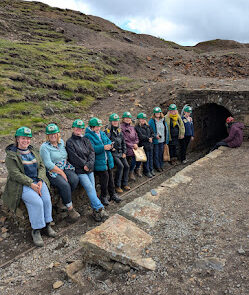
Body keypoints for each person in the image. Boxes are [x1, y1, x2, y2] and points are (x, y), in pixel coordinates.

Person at [2, 127, 56, 247]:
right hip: (22, 184)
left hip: (38, 181)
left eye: (28, 138)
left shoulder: (33, 151)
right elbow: (14, 173)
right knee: (37, 202)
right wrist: (31, 183)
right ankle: (36, 230)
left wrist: (41, 180)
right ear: (17, 139)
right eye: (23, 138)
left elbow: (42, 166)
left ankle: (47, 225)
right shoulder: (11, 155)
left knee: (46, 200)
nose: (26, 141)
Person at [66, 119, 108, 222]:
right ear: (73, 128)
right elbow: (73, 157)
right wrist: (84, 165)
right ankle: (99, 207)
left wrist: (89, 164)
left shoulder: (85, 139)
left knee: (92, 188)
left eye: (80, 128)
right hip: (80, 170)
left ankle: (96, 212)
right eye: (77, 128)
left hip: (89, 168)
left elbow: (92, 152)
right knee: (89, 188)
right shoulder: (69, 142)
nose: (78, 130)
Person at [40, 123, 80, 222]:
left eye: (55, 133)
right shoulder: (44, 147)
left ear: (58, 134)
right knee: (65, 185)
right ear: (47, 136)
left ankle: (64, 200)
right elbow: (48, 163)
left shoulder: (61, 142)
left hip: (64, 166)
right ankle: (70, 209)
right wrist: (61, 173)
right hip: (52, 170)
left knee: (75, 179)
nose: (53, 136)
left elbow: (65, 157)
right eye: (50, 134)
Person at [84, 117, 121, 205]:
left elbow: (108, 141)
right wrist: (103, 147)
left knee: (110, 178)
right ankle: (103, 196)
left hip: (107, 159)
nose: (98, 128)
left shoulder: (101, 133)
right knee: (104, 179)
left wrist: (110, 145)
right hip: (99, 161)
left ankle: (112, 194)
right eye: (96, 127)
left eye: (99, 126)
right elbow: (91, 149)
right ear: (92, 127)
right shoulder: (88, 136)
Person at [105, 113, 131, 193]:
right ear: (111, 122)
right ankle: (117, 185)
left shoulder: (119, 130)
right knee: (120, 166)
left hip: (120, 152)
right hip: (113, 153)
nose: (115, 122)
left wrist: (124, 152)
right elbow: (107, 141)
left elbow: (123, 142)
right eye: (114, 121)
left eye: (116, 121)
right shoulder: (108, 131)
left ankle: (125, 183)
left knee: (127, 166)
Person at [120, 112, 141, 180]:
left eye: (129, 118)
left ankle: (137, 169)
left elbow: (136, 136)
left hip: (134, 145)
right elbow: (124, 140)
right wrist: (133, 145)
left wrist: (136, 143)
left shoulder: (132, 127)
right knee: (134, 156)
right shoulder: (121, 128)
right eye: (126, 118)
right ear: (123, 119)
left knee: (140, 156)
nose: (128, 119)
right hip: (127, 147)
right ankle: (131, 172)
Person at [149, 107, 169, 172]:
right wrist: (155, 135)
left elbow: (166, 130)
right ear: (154, 113)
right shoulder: (152, 121)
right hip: (156, 141)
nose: (157, 114)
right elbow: (150, 131)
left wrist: (166, 140)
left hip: (162, 140)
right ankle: (157, 166)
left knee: (161, 153)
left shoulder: (163, 120)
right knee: (156, 154)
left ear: (160, 113)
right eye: (156, 113)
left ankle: (161, 165)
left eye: (159, 112)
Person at [135, 113, 155, 178]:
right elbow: (140, 136)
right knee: (146, 159)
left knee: (151, 157)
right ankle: (147, 171)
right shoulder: (137, 127)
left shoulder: (148, 126)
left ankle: (151, 169)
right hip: (143, 145)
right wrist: (148, 138)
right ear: (139, 120)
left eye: (144, 119)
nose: (143, 120)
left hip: (150, 144)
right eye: (141, 119)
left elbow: (152, 133)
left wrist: (151, 137)